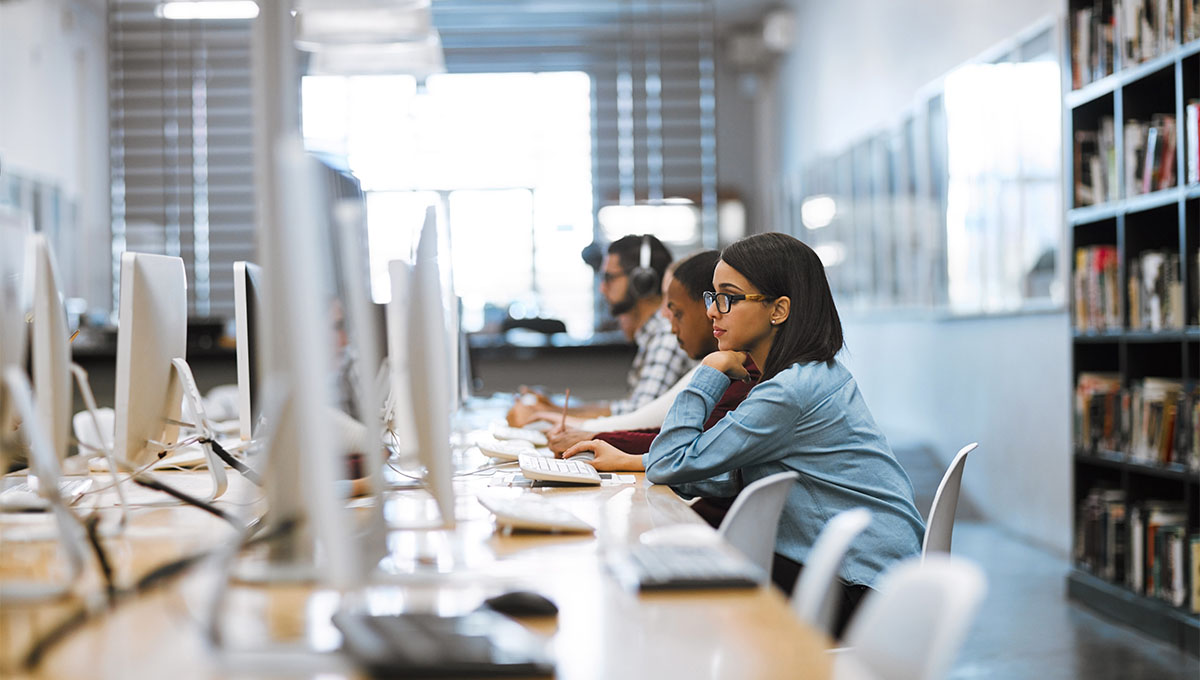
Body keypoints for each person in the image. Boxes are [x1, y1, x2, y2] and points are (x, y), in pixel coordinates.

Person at [564, 232, 925, 638]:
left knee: (675, 594)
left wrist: (710, 371)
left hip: (859, 588)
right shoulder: (805, 376)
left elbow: (672, 462)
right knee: (672, 570)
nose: (713, 312)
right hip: (871, 573)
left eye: (728, 298)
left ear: (779, 310)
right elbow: (730, 470)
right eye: (712, 296)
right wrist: (638, 462)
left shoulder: (789, 391)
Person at [508, 234, 693, 424]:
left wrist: (551, 414)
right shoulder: (653, 336)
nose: (602, 288)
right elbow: (628, 409)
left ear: (641, 281)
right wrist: (554, 408)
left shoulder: (666, 337)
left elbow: (636, 418)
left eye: (609, 278)